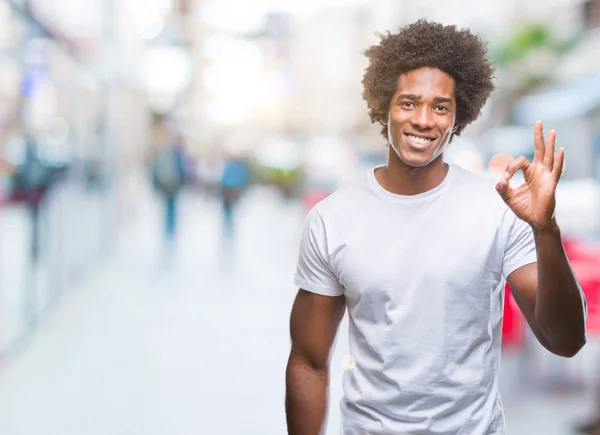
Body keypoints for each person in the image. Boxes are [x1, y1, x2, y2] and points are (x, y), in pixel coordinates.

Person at [285, 20, 588, 435]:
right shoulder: (332, 219)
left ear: (457, 115)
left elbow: (566, 341)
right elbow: (308, 359)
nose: (424, 120)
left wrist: (545, 230)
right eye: (408, 103)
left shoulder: (498, 210)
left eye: (440, 107)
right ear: (383, 107)